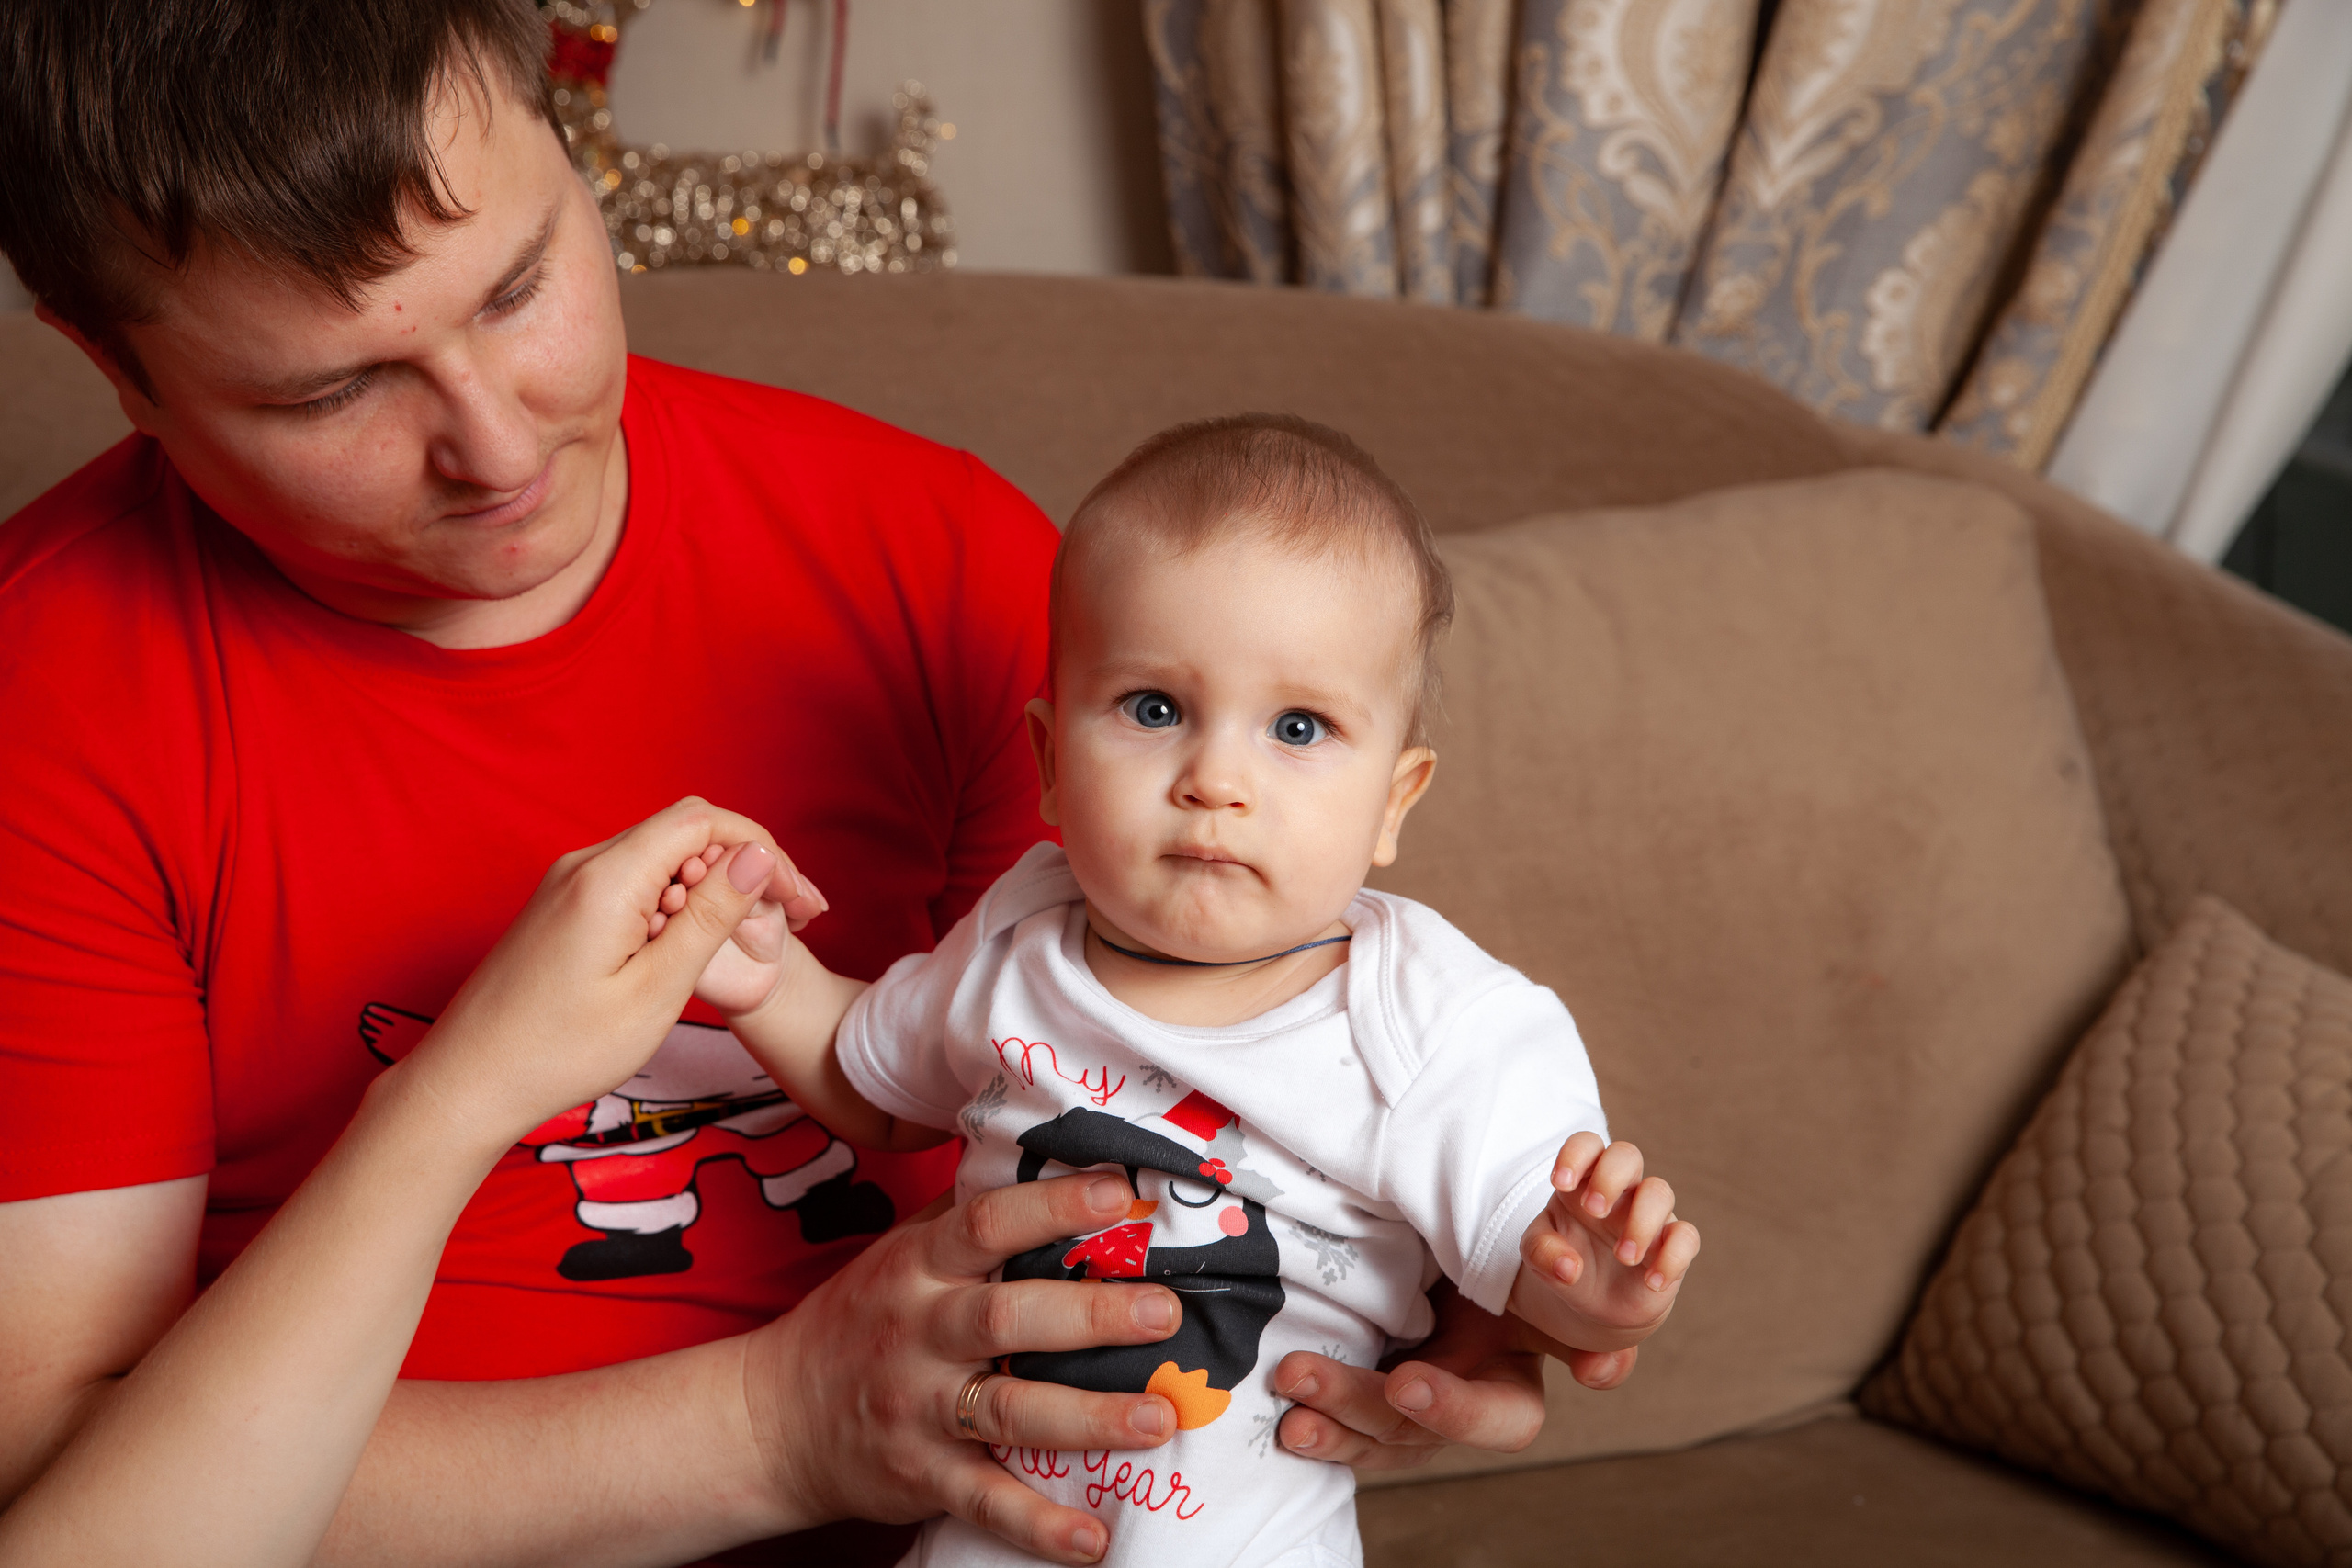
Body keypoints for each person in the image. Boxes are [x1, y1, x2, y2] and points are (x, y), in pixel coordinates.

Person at [0, 4, 1642, 1565]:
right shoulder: (49, 697)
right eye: (335, 389)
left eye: (516, 290)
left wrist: (1449, 1290)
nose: (496, 448)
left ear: (575, 149)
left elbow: (1233, 1062)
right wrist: (767, 1424)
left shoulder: (958, 577)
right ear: (110, 363)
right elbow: (65, 1489)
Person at [668, 415, 1702, 1567]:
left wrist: (1604, 1289)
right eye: (1154, 709)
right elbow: (873, 1078)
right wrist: (765, 977)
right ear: (1053, 764)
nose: (1216, 780)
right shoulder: (1021, 940)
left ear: (1395, 801)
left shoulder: (1430, 1018)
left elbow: (1530, 1266)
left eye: (1297, 728)